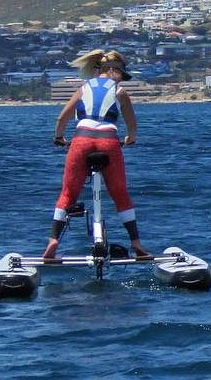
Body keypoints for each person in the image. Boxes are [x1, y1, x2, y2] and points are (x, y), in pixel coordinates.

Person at [44, 50, 148, 259]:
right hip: (109, 142)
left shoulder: (83, 88)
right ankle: (136, 243)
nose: (121, 78)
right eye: (120, 74)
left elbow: (62, 118)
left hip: (81, 140)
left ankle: (53, 240)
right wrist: (130, 139)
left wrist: (58, 137)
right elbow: (131, 125)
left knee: (68, 193)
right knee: (119, 193)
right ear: (112, 70)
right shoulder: (120, 92)